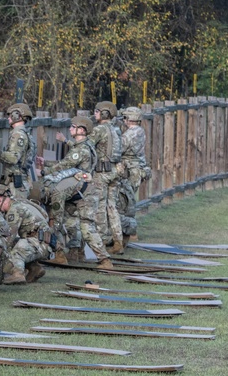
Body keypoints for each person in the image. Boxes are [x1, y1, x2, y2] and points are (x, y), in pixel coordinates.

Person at [41, 115, 112, 269]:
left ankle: (104, 260)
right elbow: (67, 163)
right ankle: (72, 253)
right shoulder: (84, 146)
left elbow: (65, 165)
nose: (70, 129)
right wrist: (46, 163)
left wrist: (44, 171)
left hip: (81, 191)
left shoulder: (81, 149)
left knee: (84, 227)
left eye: (73, 127)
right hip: (81, 191)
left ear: (82, 130)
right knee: (70, 222)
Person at [0, 184, 55, 285]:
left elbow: (9, 237)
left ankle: (18, 274)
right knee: (18, 244)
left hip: (39, 243)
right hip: (44, 243)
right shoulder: (21, 203)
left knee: (16, 250)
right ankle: (35, 269)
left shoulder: (14, 210)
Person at [90, 101, 125, 253]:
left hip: (102, 172)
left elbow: (86, 146)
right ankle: (118, 241)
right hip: (115, 170)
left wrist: (67, 142)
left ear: (104, 114)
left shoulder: (99, 129)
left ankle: (102, 241)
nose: (95, 114)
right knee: (112, 207)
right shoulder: (116, 129)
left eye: (97, 111)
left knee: (100, 206)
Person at [0, 103, 37, 197]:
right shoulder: (23, 133)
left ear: (17, 115)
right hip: (17, 183)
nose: (8, 118)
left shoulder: (18, 134)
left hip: (15, 187)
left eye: (11, 115)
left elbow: (13, 158)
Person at [119, 106, 150, 244]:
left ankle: (130, 232)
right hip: (137, 169)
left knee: (126, 201)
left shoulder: (130, 134)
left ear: (128, 118)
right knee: (129, 199)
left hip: (131, 170)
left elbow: (119, 149)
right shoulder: (140, 131)